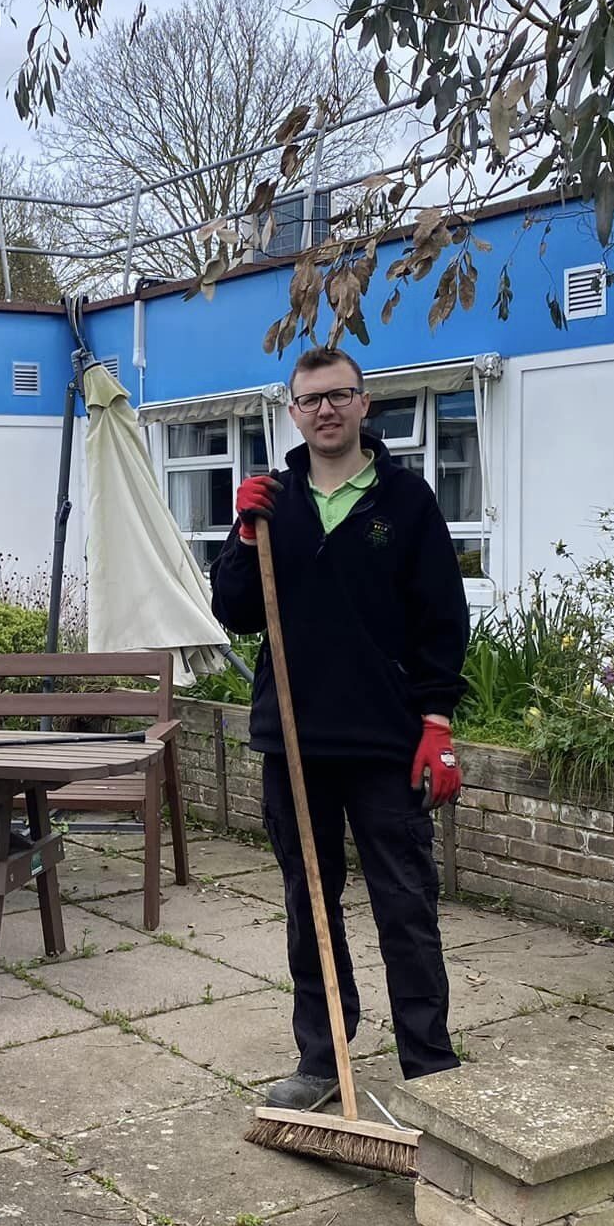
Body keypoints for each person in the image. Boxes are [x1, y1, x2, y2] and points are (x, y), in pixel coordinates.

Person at [210, 345, 469, 1111]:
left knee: (406, 904)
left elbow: (442, 621)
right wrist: (246, 538)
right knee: (309, 903)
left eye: (340, 396)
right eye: (311, 399)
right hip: (293, 740)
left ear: (364, 405)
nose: (325, 409)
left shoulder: (406, 499)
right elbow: (235, 611)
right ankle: (322, 1058)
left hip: (386, 741)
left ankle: (430, 1063)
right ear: (294, 411)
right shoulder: (274, 502)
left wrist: (436, 722)